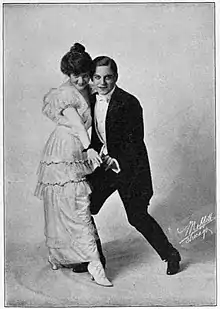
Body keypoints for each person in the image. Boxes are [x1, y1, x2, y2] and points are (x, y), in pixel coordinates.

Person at [72, 56, 181, 276]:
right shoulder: (92, 99)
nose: (102, 83)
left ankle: (171, 255)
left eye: (108, 77)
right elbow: (96, 135)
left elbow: (135, 142)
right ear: (92, 78)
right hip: (105, 168)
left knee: (137, 217)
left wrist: (117, 160)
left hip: (130, 170)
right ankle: (95, 259)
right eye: (97, 77)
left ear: (116, 78)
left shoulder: (129, 102)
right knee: (83, 207)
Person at [34, 44, 113, 287]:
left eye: (84, 75)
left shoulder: (88, 87)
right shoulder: (64, 94)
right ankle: (91, 263)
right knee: (70, 204)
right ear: (67, 75)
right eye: (74, 75)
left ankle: (77, 258)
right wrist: (89, 148)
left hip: (78, 147)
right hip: (64, 150)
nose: (80, 80)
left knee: (76, 206)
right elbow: (78, 125)